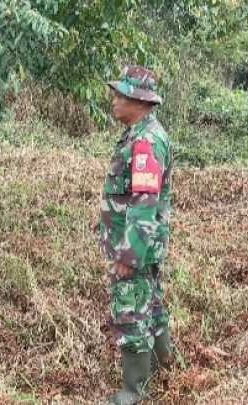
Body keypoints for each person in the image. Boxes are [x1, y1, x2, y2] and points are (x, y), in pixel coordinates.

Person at [98, 65, 175, 404]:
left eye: (120, 95)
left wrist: (129, 255)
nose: (114, 100)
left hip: (137, 247)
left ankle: (132, 390)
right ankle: (165, 364)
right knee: (152, 303)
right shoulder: (141, 134)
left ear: (139, 101)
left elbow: (144, 202)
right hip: (145, 244)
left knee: (131, 311)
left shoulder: (145, 141)